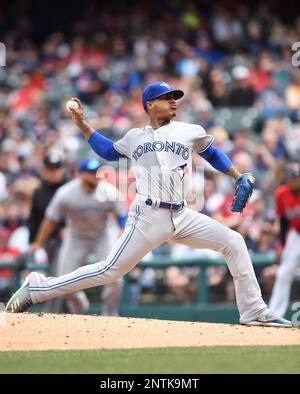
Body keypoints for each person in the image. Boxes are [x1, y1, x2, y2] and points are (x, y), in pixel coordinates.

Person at [5, 81, 291, 327]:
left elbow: (212, 153)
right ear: (150, 105)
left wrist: (237, 175)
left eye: (175, 98)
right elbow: (106, 150)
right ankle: (37, 288)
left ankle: (254, 310)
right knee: (109, 271)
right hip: (148, 215)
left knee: (234, 241)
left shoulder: (189, 130)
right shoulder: (134, 137)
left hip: (182, 214)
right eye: (167, 99)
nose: (174, 102)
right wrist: (81, 122)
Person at [29, 158, 127, 315]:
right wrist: (38, 242)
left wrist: (122, 228)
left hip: (103, 235)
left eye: (96, 172)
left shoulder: (108, 191)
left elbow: (122, 213)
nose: (95, 175)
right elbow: (50, 219)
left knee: (116, 277)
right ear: (80, 174)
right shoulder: (66, 193)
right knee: (63, 279)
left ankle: (110, 312)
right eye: (90, 173)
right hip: (76, 236)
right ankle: (79, 307)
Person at [268, 162, 300, 317]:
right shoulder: (281, 193)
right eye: (290, 178)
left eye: (296, 177)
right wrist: (281, 244)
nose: (293, 180)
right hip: (296, 234)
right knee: (283, 273)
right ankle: (275, 314)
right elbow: (283, 221)